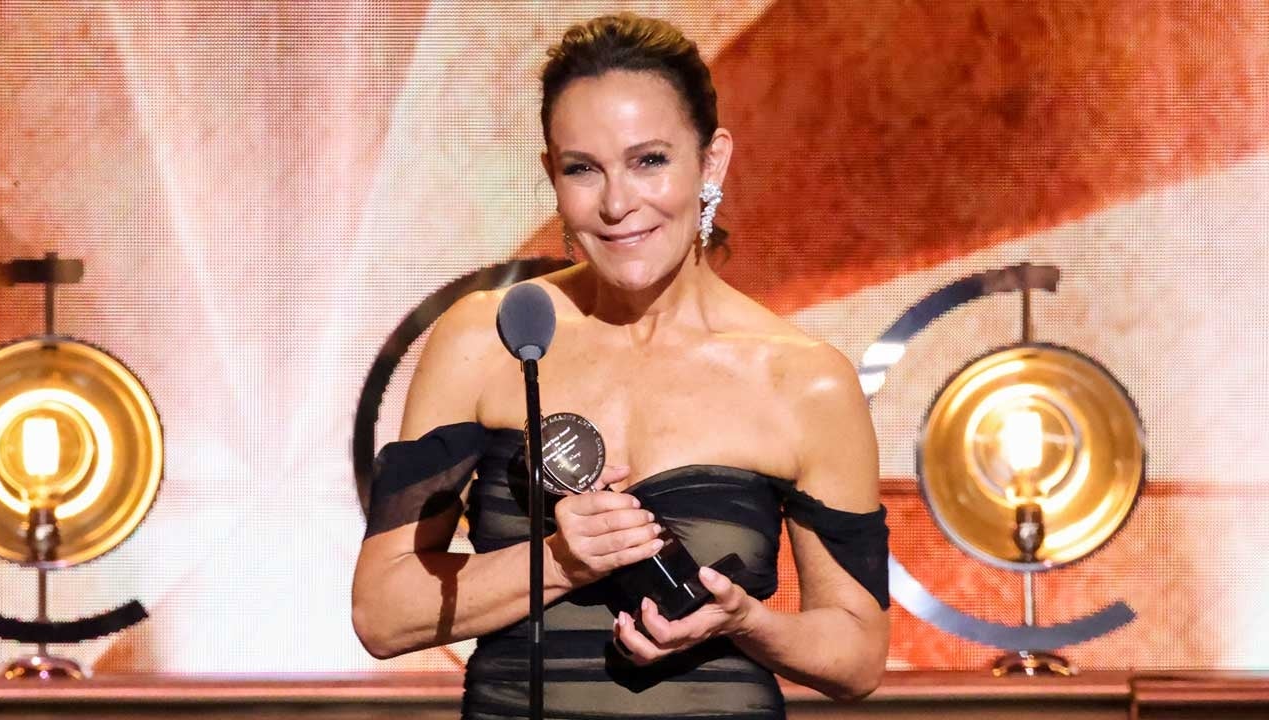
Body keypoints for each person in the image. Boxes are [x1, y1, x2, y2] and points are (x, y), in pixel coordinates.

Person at [352, 12, 889, 719]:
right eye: (583, 169)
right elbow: (383, 613)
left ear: (713, 161)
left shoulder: (804, 380)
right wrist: (558, 561)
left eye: (649, 161)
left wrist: (746, 622)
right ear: (552, 175)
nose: (615, 204)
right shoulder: (486, 338)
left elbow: (858, 655)